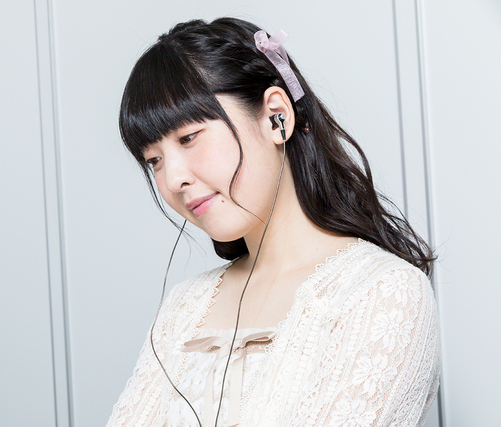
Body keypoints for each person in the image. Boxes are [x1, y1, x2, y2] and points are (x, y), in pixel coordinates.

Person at [108, 17, 440, 427]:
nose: (173, 179)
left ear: (276, 117)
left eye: (189, 137)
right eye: (154, 160)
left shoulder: (380, 292)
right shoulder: (184, 306)